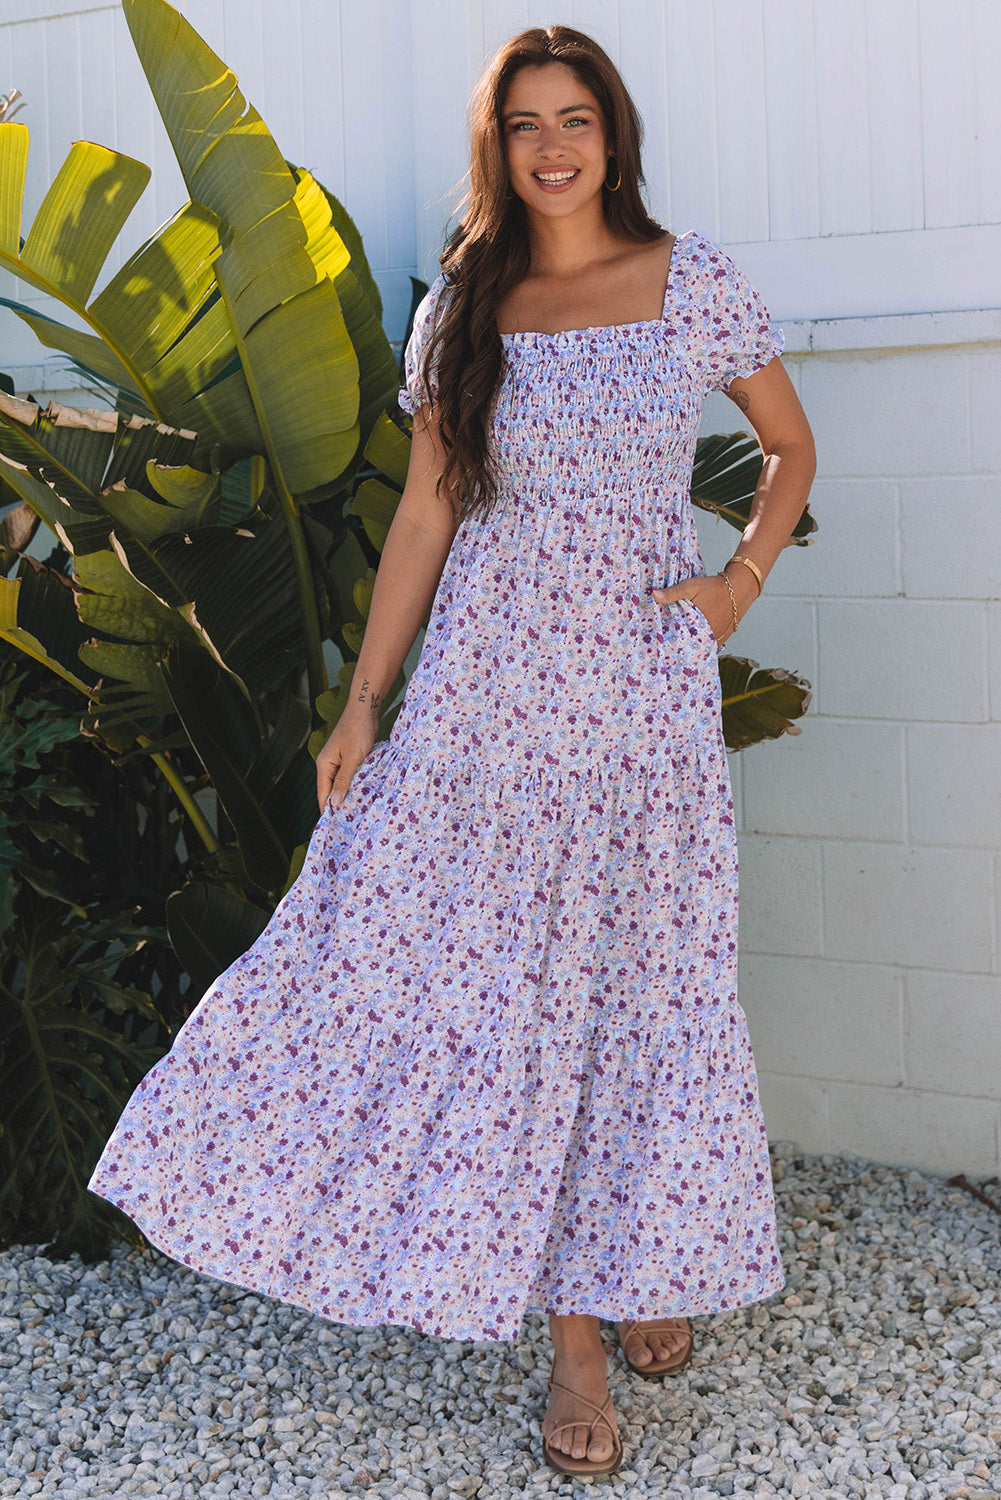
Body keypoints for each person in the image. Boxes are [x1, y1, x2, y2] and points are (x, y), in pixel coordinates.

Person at [89, 23, 817, 1481]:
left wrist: (732, 587)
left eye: (576, 119)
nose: (553, 146)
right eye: (525, 125)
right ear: (498, 147)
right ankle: (571, 1337)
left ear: (613, 135)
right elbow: (425, 515)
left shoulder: (690, 281)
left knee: (645, 984)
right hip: (485, 710)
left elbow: (788, 453)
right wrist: (363, 699)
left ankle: (642, 1250)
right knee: (510, 998)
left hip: (633, 710)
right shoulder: (466, 307)